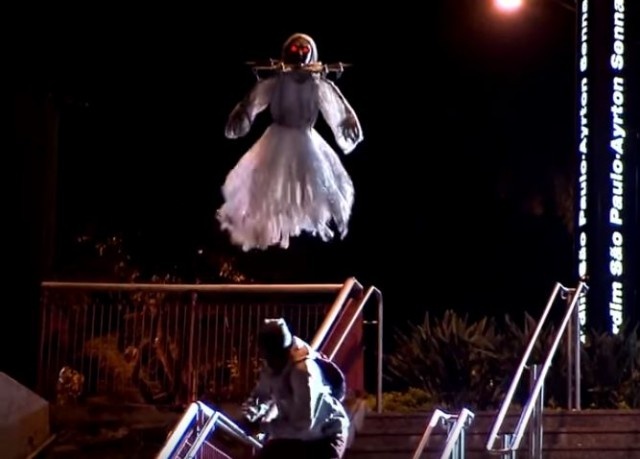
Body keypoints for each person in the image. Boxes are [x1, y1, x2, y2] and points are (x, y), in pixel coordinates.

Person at [218, 32, 364, 251]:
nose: (300, 55)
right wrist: (241, 116)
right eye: (295, 50)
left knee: (305, 187)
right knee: (267, 186)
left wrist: (348, 124)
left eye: (305, 50)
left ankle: (292, 226)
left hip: (305, 139)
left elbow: (336, 106)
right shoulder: (278, 80)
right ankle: (264, 227)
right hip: (277, 138)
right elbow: (254, 100)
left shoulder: (317, 84)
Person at [242, 318, 350, 458]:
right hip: (298, 435)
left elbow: (304, 423)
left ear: (285, 351)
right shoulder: (271, 366)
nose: (269, 362)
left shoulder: (303, 372)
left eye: (273, 357)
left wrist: (263, 427)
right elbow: (262, 395)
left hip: (326, 435)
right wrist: (249, 416)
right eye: (266, 356)